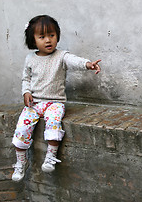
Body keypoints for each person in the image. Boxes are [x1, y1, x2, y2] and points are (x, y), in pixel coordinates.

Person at [11, 15, 101, 182]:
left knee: (53, 124)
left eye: (52, 35)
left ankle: (50, 156)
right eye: (42, 37)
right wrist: (26, 92)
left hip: (55, 103)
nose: (48, 40)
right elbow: (26, 79)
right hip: (35, 103)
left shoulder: (61, 56)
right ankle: (21, 162)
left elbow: (74, 61)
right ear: (33, 39)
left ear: (57, 36)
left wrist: (88, 64)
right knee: (21, 129)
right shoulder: (30, 59)